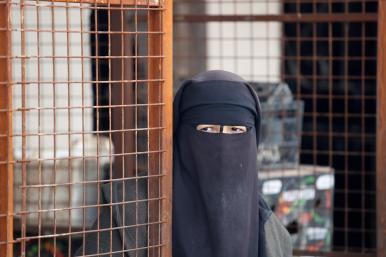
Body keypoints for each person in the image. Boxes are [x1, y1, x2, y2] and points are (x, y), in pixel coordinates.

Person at [75, 70, 292, 257]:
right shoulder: (134, 211)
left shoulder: (271, 232)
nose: (223, 146)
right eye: (207, 130)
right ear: (180, 135)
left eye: (236, 131)